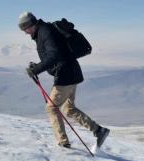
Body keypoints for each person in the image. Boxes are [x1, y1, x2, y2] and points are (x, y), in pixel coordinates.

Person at [19, 11, 110, 149]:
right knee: (69, 108)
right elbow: (56, 54)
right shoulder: (44, 31)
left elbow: (54, 55)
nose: (25, 32)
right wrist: (37, 66)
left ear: (29, 25)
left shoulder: (45, 32)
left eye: (24, 29)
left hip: (65, 76)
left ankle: (63, 143)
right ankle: (99, 130)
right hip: (72, 73)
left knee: (51, 108)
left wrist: (36, 70)